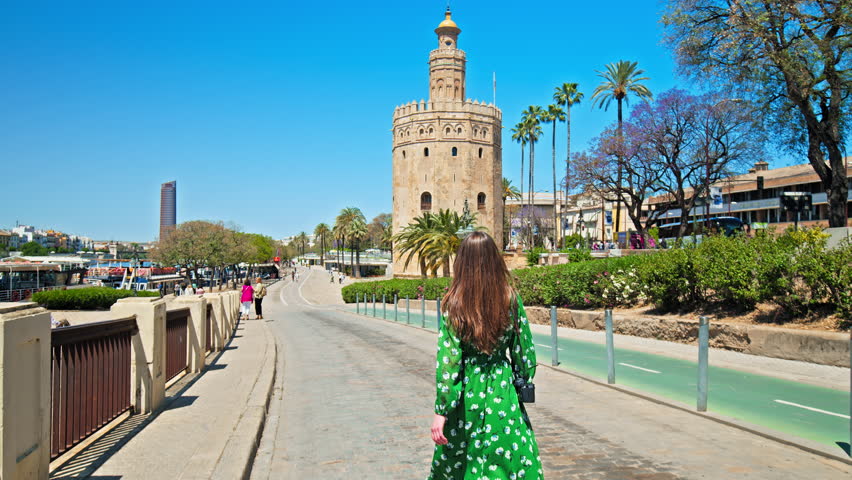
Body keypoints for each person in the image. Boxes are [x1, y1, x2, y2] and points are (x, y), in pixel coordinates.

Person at [429, 231, 542, 480]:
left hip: (467, 395)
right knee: (507, 459)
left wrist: (441, 410)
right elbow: (525, 353)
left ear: (463, 263)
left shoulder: (454, 304)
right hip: (503, 391)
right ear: (494, 260)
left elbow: (448, 364)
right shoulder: (510, 298)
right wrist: (519, 379)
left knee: (462, 461)